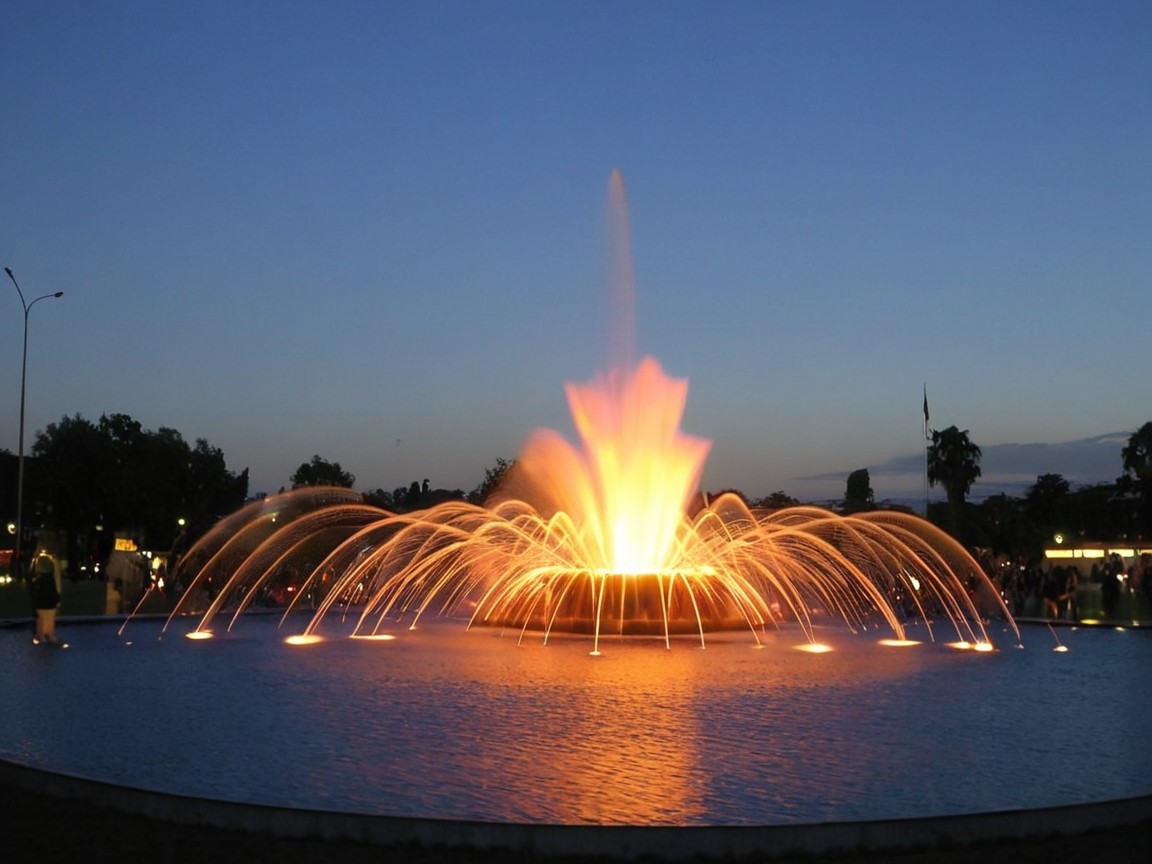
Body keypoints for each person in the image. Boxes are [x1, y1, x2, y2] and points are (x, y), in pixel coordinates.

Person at [31, 554, 61, 645]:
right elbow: (57, 585)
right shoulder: (52, 578)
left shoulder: (37, 580)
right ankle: (51, 636)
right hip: (51, 598)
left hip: (41, 599)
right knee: (50, 619)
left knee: (41, 618)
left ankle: (42, 637)